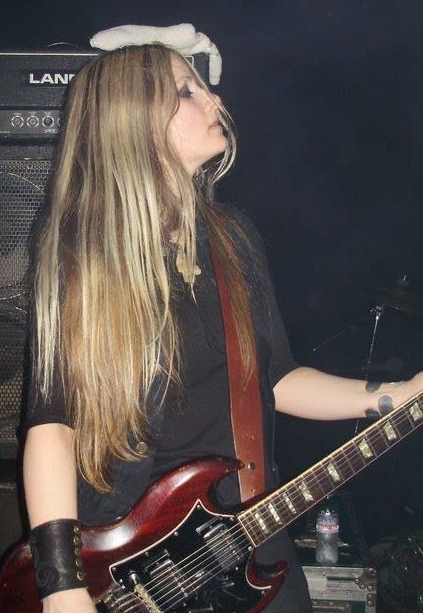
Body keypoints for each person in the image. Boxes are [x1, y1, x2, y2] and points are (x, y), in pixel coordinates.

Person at [23, 42, 422, 613]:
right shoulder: (80, 253)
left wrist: (396, 397)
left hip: (253, 541)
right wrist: (62, 588)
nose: (215, 98)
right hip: (130, 567)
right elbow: (51, 425)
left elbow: (278, 380)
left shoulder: (232, 237)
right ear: (132, 122)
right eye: (187, 90)